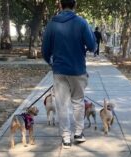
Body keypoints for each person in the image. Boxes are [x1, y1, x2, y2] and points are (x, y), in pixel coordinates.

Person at [41, 0, 96, 149]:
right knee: (78, 102)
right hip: (78, 69)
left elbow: (45, 50)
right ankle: (78, 133)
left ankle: (66, 137)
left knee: (62, 104)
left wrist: (53, 64)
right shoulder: (82, 22)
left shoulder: (52, 24)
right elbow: (92, 46)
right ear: (75, 5)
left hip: (59, 70)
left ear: (60, 5)